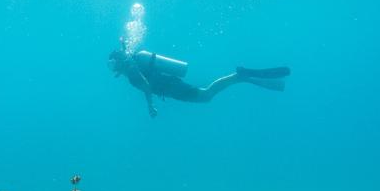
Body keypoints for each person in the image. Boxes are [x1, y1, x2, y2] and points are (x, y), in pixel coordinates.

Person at [108, 47, 290, 118]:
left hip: (171, 87)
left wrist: (150, 106)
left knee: (206, 95)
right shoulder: (133, 66)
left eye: (112, 64)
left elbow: (146, 86)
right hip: (171, 85)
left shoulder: (132, 72)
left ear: (118, 62)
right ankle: (240, 77)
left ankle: (239, 77)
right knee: (206, 94)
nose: (112, 68)